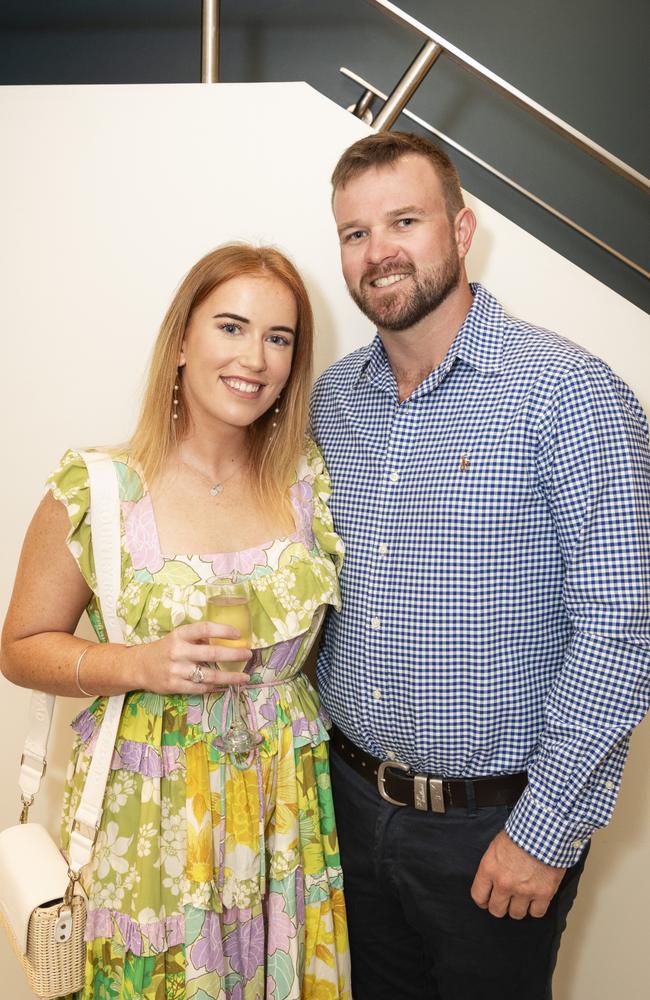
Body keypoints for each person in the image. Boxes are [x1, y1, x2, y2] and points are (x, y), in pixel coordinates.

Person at [310, 131, 650, 1000]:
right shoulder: (332, 401)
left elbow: (625, 627)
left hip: (494, 829)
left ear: (461, 232)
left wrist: (546, 829)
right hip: (345, 803)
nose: (378, 251)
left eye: (404, 221)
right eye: (355, 232)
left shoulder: (569, 392)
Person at [1, 243, 351, 1000]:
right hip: (151, 819)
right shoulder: (98, 487)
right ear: (182, 341)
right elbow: (20, 648)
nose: (254, 357)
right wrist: (138, 664)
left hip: (281, 814)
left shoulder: (305, 480)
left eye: (279, 338)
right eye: (231, 327)